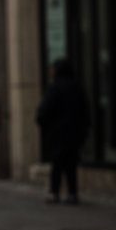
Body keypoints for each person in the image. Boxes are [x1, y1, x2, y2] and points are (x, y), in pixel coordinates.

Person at [37, 58, 89, 204]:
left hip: (58, 133)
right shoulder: (77, 87)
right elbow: (85, 111)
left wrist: (44, 125)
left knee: (58, 164)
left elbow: (44, 111)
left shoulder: (55, 88)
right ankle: (72, 193)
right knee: (70, 165)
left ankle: (54, 192)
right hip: (74, 132)